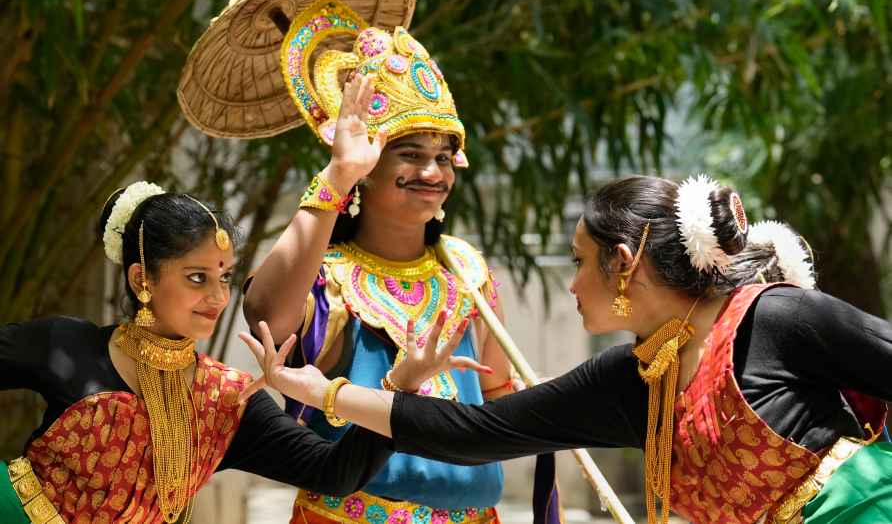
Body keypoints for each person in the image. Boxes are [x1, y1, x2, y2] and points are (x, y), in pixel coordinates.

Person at [241, 175, 892, 524]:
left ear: (623, 262)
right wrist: (314, 391)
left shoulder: (777, 319)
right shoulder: (633, 381)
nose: (572, 284)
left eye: (581, 262)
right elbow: (478, 431)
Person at [242, 0, 524, 524]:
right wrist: (336, 175)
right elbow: (266, 318)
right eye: (411, 154)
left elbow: (495, 396)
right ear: (368, 164)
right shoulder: (328, 276)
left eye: (443, 156)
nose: (433, 172)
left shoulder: (466, 269)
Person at [0, 181, 437, 523]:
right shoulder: (65, 345)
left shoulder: (227, 399)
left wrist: (398, 388)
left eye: (223, 277)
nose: (218, 297)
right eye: (196, 278)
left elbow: (333, 472)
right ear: (141, 281)